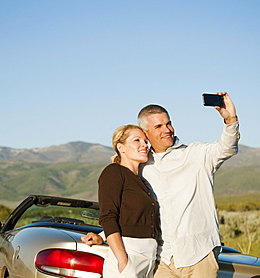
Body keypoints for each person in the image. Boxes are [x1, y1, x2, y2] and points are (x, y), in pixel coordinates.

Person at [82, 92, 240, 278]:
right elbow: (131, 213)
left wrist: (231, 120)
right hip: (160, 260)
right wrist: (103, 235)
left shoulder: (197, 154)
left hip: (199, 255)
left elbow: (226, 148)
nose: (167, 129)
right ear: (146, 134)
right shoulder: (142, 166)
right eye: (158, 126)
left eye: (168, 123)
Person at [97, 124, 160, 278]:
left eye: (145, 141)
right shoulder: (114, 172)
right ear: (121, 147)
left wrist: (102, 236)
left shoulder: (143, 182)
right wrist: (122, 260)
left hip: (149, 260)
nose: (144, 145)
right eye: (137, 140)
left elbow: (128, 218)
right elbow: (108, 216)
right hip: (129, 257)